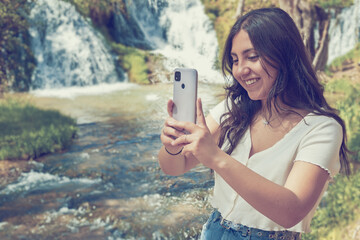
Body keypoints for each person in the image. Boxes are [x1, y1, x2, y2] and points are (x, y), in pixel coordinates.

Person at [158, 7, 351, 240]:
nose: (240, 70)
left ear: (284, 54)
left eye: (252, 57)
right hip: (214, 231)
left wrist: (215, 157)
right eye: (235, 60)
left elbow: (292, 210)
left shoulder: (323, 128)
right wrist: (172, 146)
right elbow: (174, 167)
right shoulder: (233, 107)